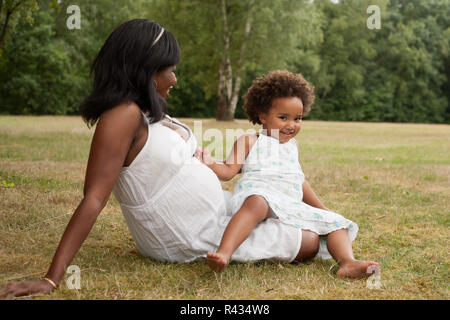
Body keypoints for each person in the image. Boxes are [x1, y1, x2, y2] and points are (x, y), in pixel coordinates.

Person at [0, 20, 318, 299]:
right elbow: (94, 197)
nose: (174, 79)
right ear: (146, 69)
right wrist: (51, 278)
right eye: (170, 70)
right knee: (310, 241)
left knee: (297, 215)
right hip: (190, 234)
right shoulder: (122, 116)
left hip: (218, 211)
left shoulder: (146, 112)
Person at [202, 70, 381, 276]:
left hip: (288, 204)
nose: (292, 125)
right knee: (257, 202)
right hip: (259, 196)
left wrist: (323, 209)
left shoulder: (292, 146)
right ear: (262, 116)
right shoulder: (250, 141)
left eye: (298, 118)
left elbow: (299, 181)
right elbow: (227, 171)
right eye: (283, 117)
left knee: (336, 223)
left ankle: (347, 262)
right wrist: (209, 163)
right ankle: (224, 252)